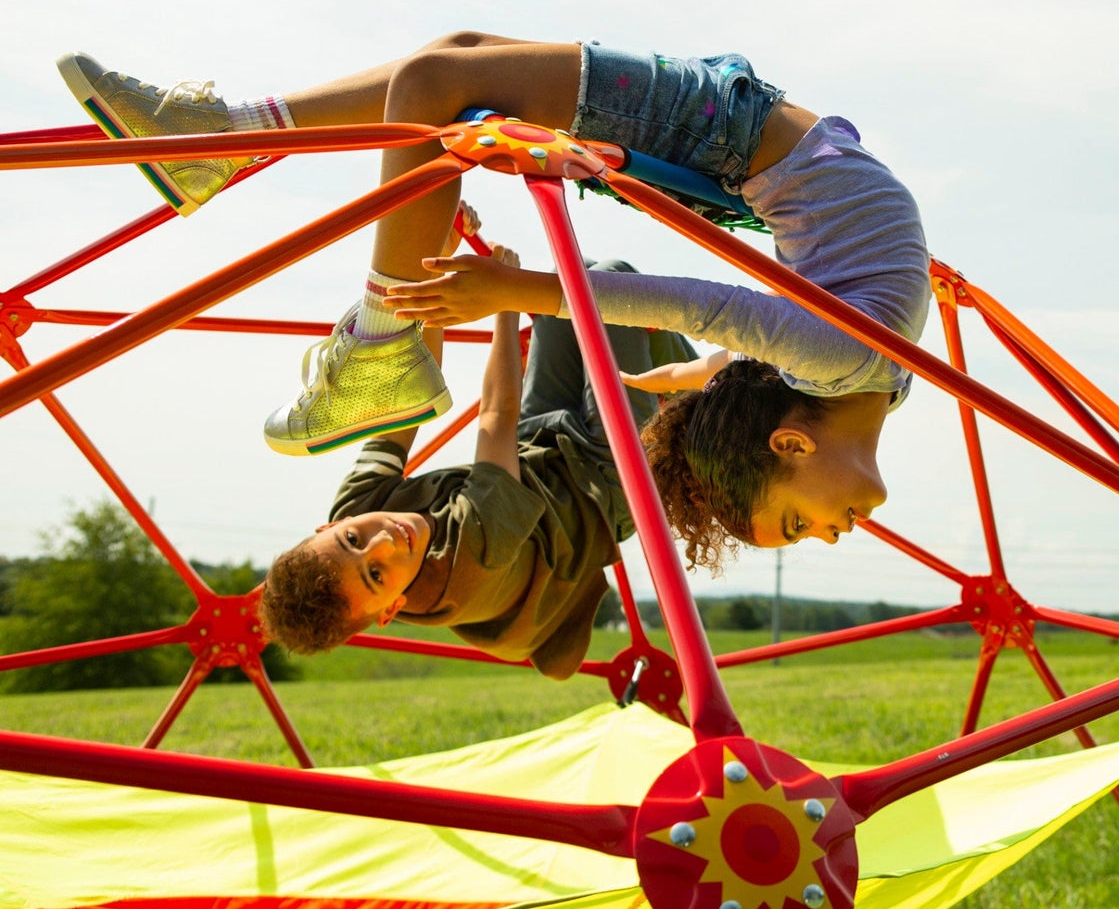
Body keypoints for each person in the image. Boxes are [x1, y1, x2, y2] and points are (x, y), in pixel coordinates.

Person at [57, 38, 930, 569]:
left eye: (801, 529)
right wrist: (524, 291)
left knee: (440, 79)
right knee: (448, 62)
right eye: (794, 523)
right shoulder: (857, 370)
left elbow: (748, 342)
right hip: (730, 136)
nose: (828, 533)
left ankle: (370, 329)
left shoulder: (855, 376)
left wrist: (702, 379)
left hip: (742, 148)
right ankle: (248, 166)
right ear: (788, 439)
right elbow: (716, 312)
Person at [259, 241, 696, 671]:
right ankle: (714, 401)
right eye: (376, 574)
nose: (384, 541)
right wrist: (505, 298)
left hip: (538, 449)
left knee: (571, 277)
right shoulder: (467, 566)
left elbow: (410, 399)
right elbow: (496, 415)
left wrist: (433, 278)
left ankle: (690, 390)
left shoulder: (357, 507)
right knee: (609, 281)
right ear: (392, 609)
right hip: (603, 485)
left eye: (352, 539)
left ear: (330, 525)